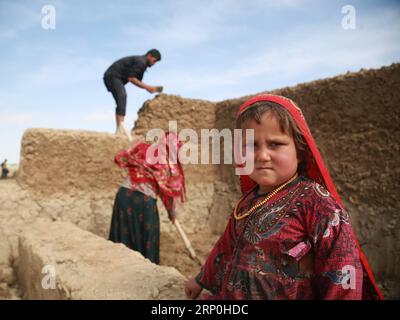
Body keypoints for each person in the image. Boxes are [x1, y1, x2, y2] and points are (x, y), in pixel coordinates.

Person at [185, 94, 383, 300]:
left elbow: (342, 271)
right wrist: (200, 280)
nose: (262, 156)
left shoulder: (318, 205)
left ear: (299, 151)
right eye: (251, 146)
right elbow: (225, 247)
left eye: (275, 144)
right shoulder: (248, 202)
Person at [108, 132, 185, 264]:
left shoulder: (143, 148)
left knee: (122, 242)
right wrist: (171, 213)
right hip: (144, 203)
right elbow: (169, 193)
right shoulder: (168, 163)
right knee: (147, 245)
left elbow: (120, 158)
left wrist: (134, 146)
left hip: (123, 196)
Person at [103, 49, 163, 137]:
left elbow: (137, 81)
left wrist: (150, 88)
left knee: (121, 99)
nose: (154, 63)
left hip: (115, 77)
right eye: (154, 60)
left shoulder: (143, 65)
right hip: (112, 75)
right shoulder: (141, 62)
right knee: (122, 96)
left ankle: (119, 128)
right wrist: (148, 88)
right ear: (149, 56)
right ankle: (120, 127)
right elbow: (131, 78)